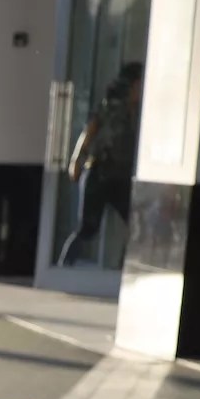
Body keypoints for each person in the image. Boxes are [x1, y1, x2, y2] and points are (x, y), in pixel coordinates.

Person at [60, 62, 144, 267]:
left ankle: (124, 270)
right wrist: (76, 160)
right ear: (134, 85)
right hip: (99, 173)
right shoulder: (112, 107)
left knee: (136, 225)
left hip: (120, 177)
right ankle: (63, 267)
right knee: (88, 229)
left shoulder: (139, 112)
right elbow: (90, 131)